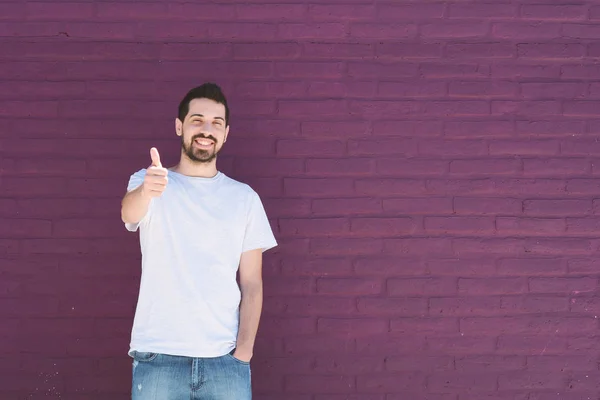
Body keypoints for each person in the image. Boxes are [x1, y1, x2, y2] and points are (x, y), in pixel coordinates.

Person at [120, 83, 277, 399]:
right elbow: (129, 212)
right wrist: (147, 190)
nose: (206, 130)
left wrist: (243, 353)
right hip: (157, 358)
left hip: (225, 362)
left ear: (226, 133)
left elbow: (252, 284)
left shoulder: (244, 199)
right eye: (197, 120)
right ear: (179, 126)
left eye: (216, 123)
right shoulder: (150, 181)